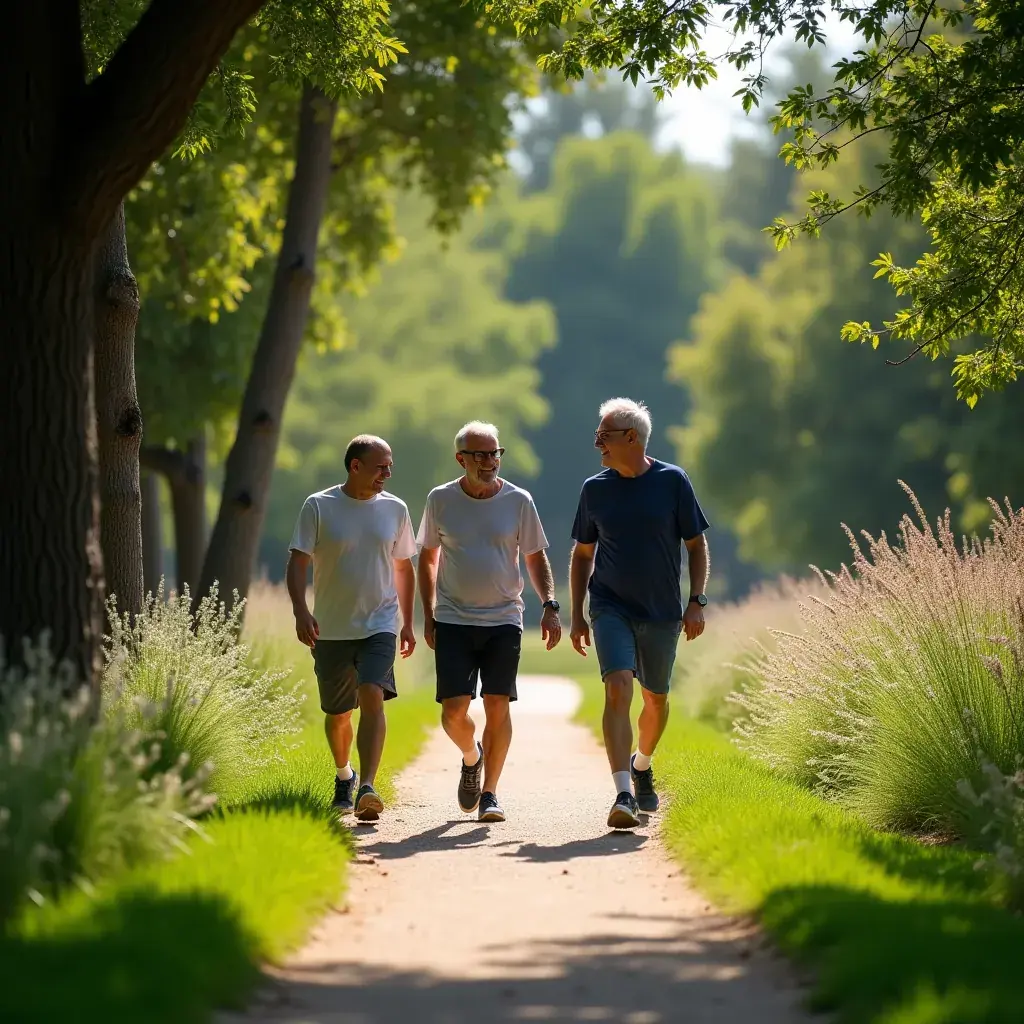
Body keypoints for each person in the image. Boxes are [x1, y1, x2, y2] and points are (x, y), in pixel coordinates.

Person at [568, 398, 710, 830]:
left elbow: (696, 545)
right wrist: (577, 614)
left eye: (603, 436)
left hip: (663, 611)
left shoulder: (673, 482)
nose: (597, 444)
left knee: (656, 699)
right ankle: (624, 792)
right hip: (609, 605)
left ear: (631, 437)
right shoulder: (595, 489)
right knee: (618, 688)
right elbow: (582, 554)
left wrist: (697, 600)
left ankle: (643, 763)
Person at [417, 421, 561, 823]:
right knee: (453, 713)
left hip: (503, 617)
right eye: (479, 455)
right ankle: (471, 755)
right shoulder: (440, 499)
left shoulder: (518, 500)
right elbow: (427, 559)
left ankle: (491, 794)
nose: (489, 462)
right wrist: (428, 614)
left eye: (495, 453)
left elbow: (534, 556)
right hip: (453, 618)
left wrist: (550, 604)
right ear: (460, 458)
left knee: (497, 704)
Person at [286, 434, 417, 822]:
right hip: (330, 627)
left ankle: (368, 787)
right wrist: (300, 611)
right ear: (355, 466)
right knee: (339, 712)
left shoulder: (395, 509)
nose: (388, 473)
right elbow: (298, 562)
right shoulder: (319, 506)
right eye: (380, 466)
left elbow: (403, 567)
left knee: (372, 693)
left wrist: (407, 622)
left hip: (380, 623)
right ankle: (345, 775)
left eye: (390, 466)